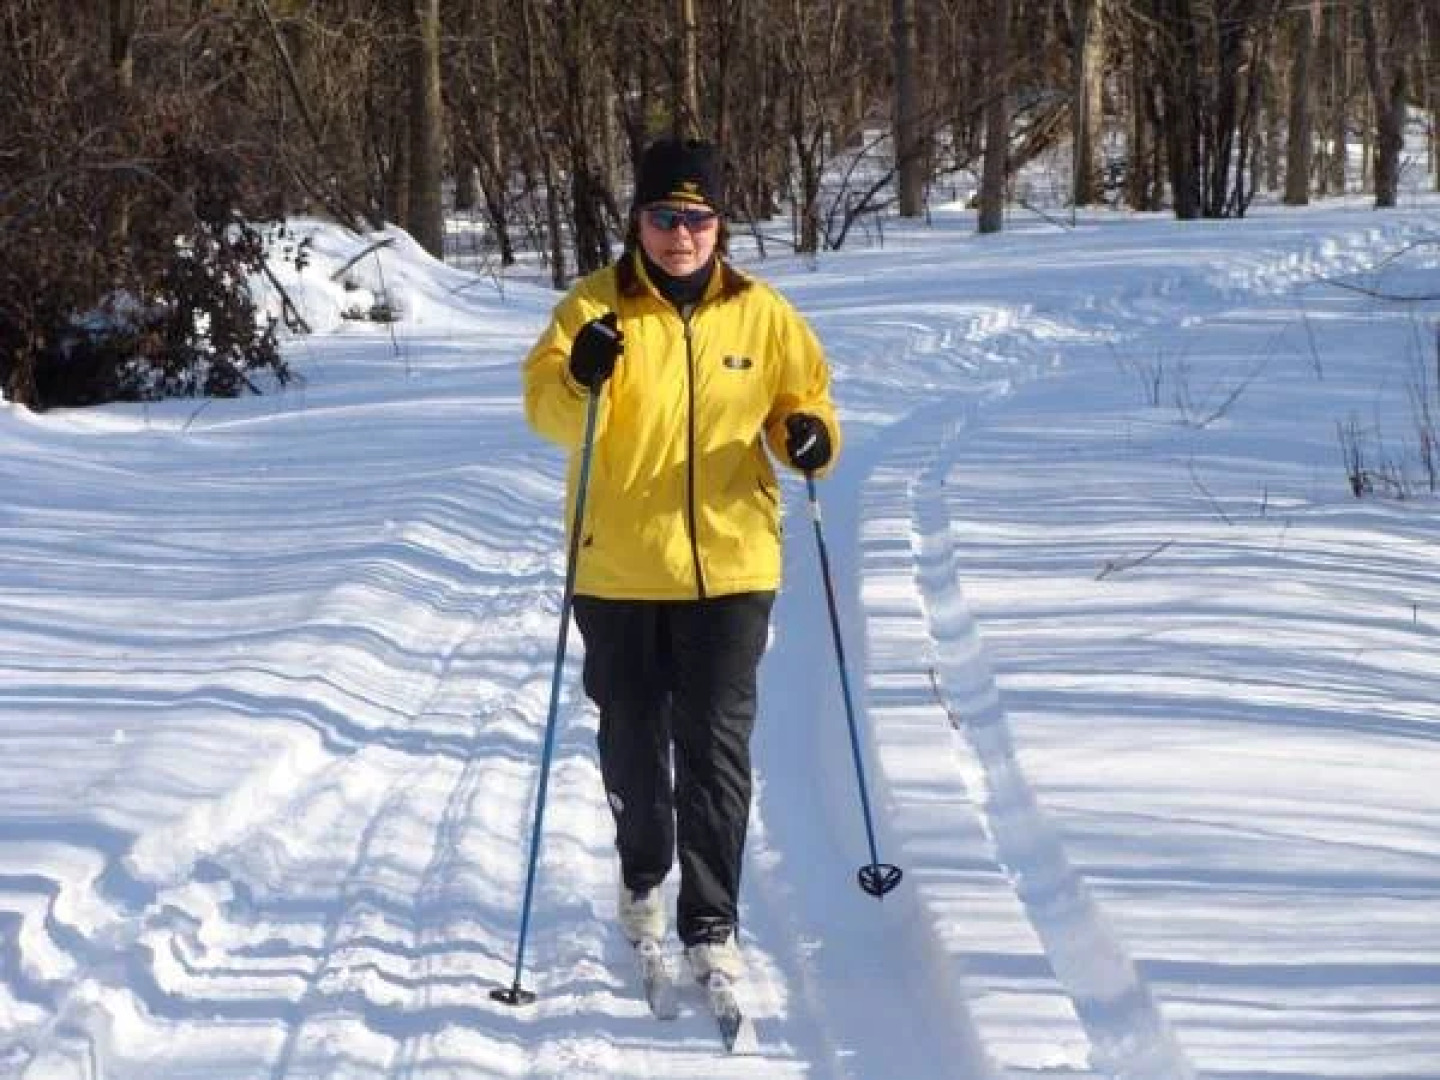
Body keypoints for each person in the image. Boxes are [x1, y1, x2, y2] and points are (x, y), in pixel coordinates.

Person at [522, 136, 839, 985]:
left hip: (732, 566)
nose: (680, 235)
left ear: (720, 225)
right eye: (664, 217)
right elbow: (546, 409)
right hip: (618, 566)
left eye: (696, 219)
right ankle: (642, 874)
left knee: (716, 747)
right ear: (639, 221)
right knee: (633, 740)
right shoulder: (594, 308)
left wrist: (807, 437)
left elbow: (802, 398)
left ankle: (712, 920)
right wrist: (582, 377)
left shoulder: (762, 313)